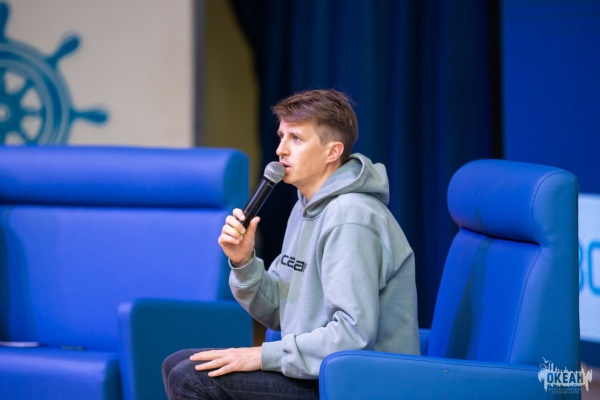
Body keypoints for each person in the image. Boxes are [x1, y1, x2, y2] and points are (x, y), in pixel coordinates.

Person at [162, 89, 419, 399]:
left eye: (296, 139)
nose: (280, 150)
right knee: (178, 364)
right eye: (281, 136)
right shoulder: (304, 207)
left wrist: (262, 355)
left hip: (361, 385)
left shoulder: (350, 216)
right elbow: (280, 311)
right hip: (319, 373)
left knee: (192, 379)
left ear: (332, 152)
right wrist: (244, 262)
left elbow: (352, 338)